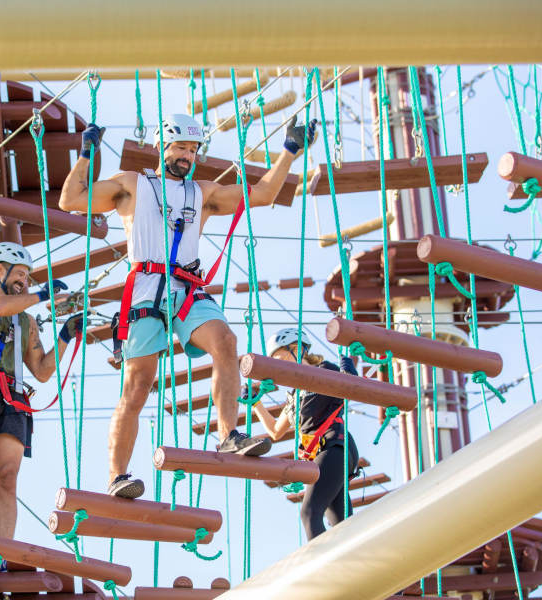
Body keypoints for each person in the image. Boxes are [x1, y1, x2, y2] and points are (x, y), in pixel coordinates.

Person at [59, 112, 318, 498]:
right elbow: (71, 200)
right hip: (146, 287)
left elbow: (262, 193)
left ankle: (229, 434)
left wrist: (290, 150)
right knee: (138, 385)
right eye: (180, 147)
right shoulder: (132, 184)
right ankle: (117, 475)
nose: (187, 155)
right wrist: (85, 155)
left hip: (186, 286)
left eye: (193, 149)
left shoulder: (204, 193)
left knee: (225, 342)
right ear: (163, 147)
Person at [0, 241, 85, 539]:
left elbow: (42, 370)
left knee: (7, 478)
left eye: (27, 276)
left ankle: (3, 548)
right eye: (19, 274)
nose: (24, 282)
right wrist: (42, 294)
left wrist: (65, 335)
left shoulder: (26, 322)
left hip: (13, 399)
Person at [249, 327, 362, 540]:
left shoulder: (323, 369)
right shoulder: (294, 396)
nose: (279, 367)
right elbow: (275, 431)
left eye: (281, 358)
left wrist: (348, 372)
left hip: (334, 447)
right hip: (324, 454)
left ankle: (323, 568)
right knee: (341, 524)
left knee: (309, 512)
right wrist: (256, 404)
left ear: (298, 350)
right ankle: (355, 563)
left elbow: (349, 387)